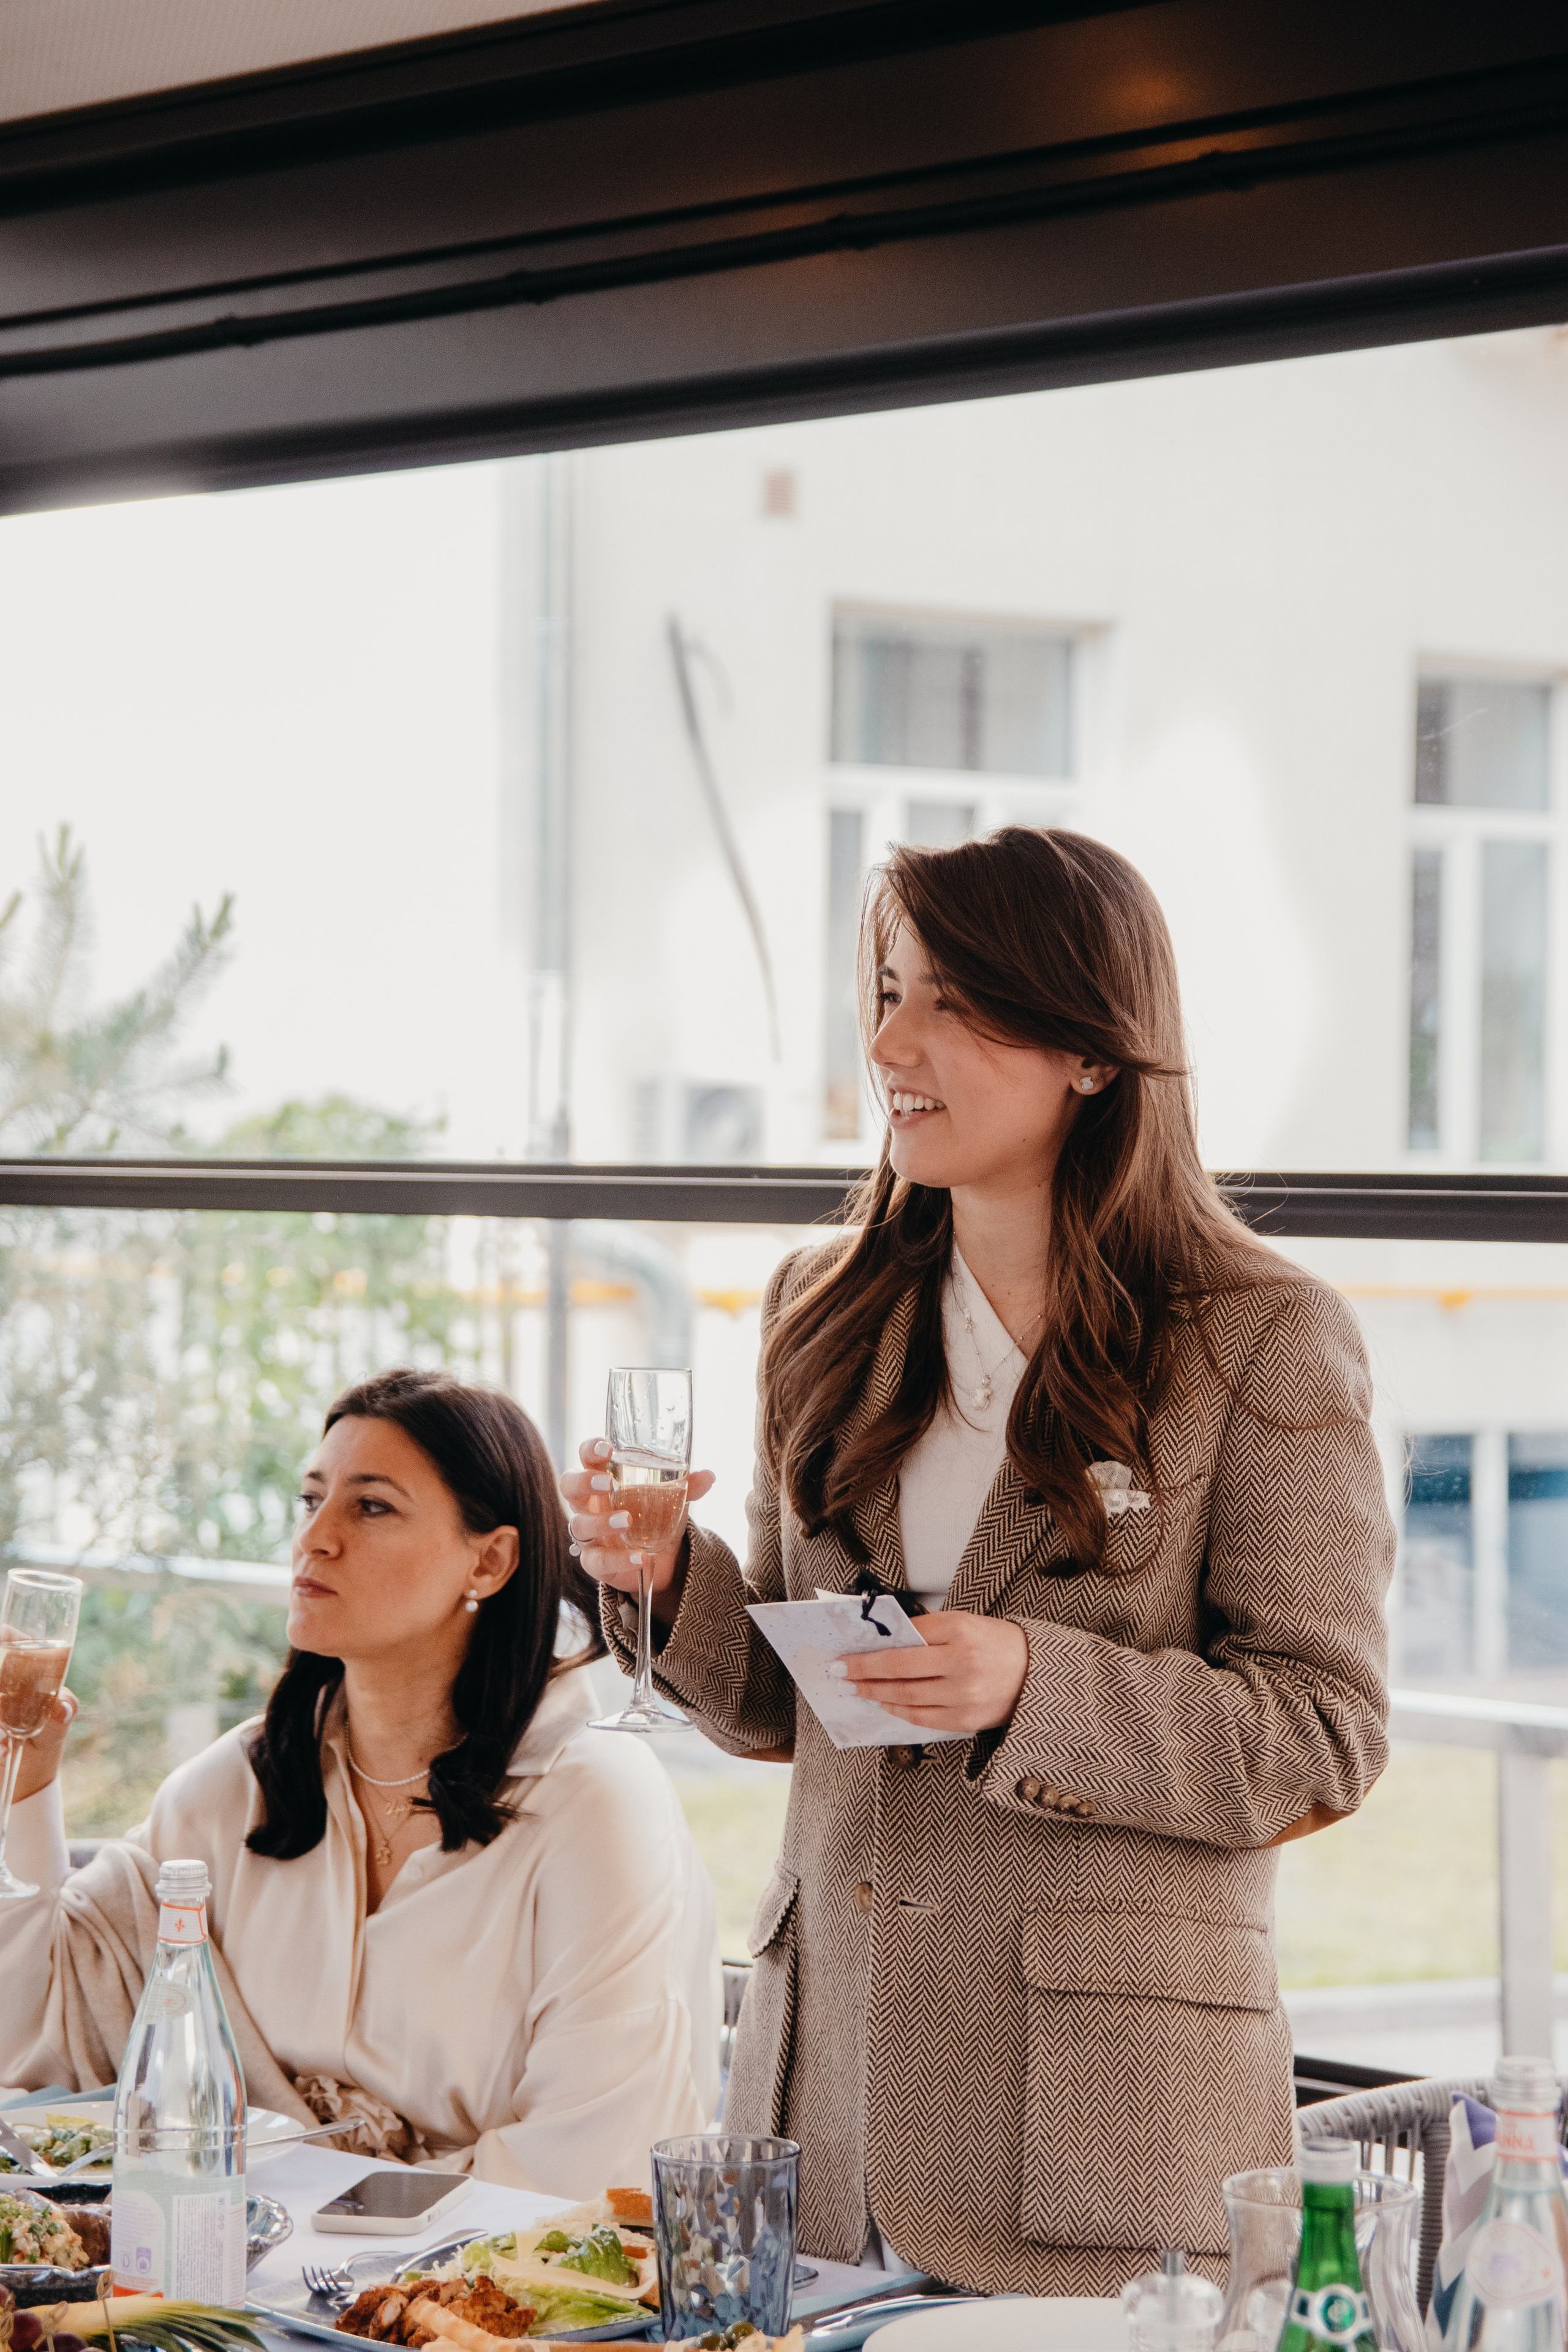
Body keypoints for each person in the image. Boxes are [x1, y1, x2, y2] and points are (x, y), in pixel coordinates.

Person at [565, 827, 1393, 2293]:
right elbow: (787, 1704)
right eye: (885, 992)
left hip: (1105, 2143)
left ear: (1090, 1050)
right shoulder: (817, 1309)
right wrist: (664, 1585)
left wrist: (1029, 1683)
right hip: (822, 2129)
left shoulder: (1255, 1337)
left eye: (950, 1001)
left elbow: (1320, 1733)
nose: (889, 1040)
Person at [1, 1368, 720, 2195]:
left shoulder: (594, 1802)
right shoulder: (233, 1789)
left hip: (499, 2300)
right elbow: (33, 2031)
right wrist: (29, 1782)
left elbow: (598, 2156)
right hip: (245, 2278)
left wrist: (345, 2241)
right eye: (312, 1500)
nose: (316, 1538)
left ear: (489, 1561)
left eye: (370, 1506)